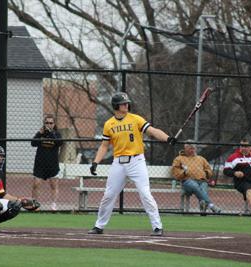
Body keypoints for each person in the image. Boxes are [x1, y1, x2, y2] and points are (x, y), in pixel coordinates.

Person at [87, 92, 177, 236]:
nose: (126, 105)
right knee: (109, 195)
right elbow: (104, 146)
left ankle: (157, 227)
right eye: (123, 103)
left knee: (145, 193)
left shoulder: (135, 119)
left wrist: (167, 138)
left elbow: (152, 131)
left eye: (127, 103)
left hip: (137, 161)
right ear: (116, 106)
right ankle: (99, 226)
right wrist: (95, 162)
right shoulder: (109, 124)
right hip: (118, 163)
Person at [172, 140, 221, 214]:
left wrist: (206, 173)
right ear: (185, 149)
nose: (192, 150)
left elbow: (209, 170)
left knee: (203, 187)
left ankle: (203, 206)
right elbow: (175, 173)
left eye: (193, 148)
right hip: (187, 181)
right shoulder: (179, 159)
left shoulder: (201, 159)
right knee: (194, 185)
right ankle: (211, 205)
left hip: (202, 181)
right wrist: (184, 172)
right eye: (190, 148)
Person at [31, 115, 63, 211]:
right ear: (44, 124)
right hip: (40, 164)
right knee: (36, 184)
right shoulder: (41, 134)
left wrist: (51, 133)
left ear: (54, 124)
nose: (49, 124)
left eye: (51, 123)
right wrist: (39, 134)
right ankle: (35, 204)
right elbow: (33, 143)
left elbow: (59, 143)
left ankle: (53, 204)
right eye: (47, 123)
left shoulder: (57, 134)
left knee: (53, 186)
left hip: (52, 164)